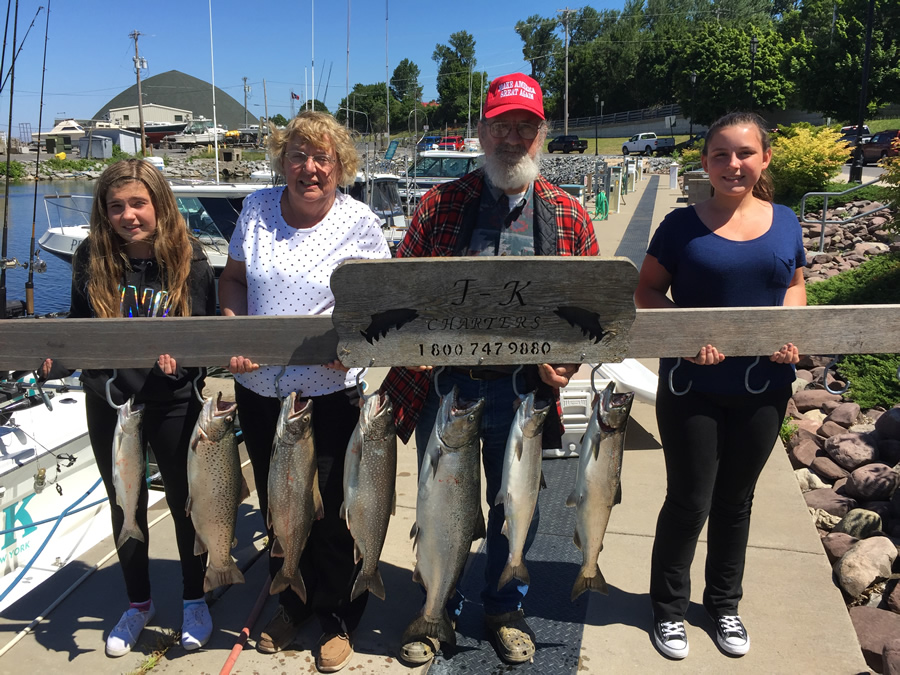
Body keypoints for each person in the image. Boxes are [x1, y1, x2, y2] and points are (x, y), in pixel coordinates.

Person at [381, 72, 598, 666]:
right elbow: (398, 293)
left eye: (524, 128)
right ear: (481, 131)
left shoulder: (569, 216)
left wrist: (568, 359)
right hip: (443, 387)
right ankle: (438, 610)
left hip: (522, 391)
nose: (512, 139)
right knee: (438, 502)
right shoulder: (438, 204)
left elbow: (591, 313)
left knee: (513, 502)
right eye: (501, 126)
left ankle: (504, 607)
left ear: (541, 136)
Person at [218, 110, 391, 673]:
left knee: (338, 505)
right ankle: (292, 600)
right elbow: (234, 278)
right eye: (298, 155)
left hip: (328, 389)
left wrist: (355, 340)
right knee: (282, 506)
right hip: (261, 388)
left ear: (341, 165)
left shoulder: (359, 221)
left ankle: (340, 613)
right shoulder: (257, 209)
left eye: (323, 158)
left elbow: (377, 305)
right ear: (282, 160)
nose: (310, 168)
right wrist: (233, 324)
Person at [634, 111, 807, 660]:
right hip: (692, 386)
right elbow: (645, 294)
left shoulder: (785, 221)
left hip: (764, 385)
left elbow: (795, 285)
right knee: (689, 500)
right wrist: (684, 337)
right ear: (705, 162)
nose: (733, 164)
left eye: (745, 153)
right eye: (720, 155)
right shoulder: (680, 227)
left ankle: (724, 605)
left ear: (764, 159)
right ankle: (668, 609)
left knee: (736, 501)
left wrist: (789, 331)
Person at [45, 159, 218, 657]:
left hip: (173, 402)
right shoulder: (90, 256)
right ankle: (139, 602)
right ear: (104, 212)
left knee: (188, 502)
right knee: (126, 503)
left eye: (138, 203)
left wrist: (180, 365)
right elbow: (79, 329)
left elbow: (203, 337)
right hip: (112, 404)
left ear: (159, 205)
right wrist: (59, 359)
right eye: (116, 206)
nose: (128, 215)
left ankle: (193, 596)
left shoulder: (191, 258)